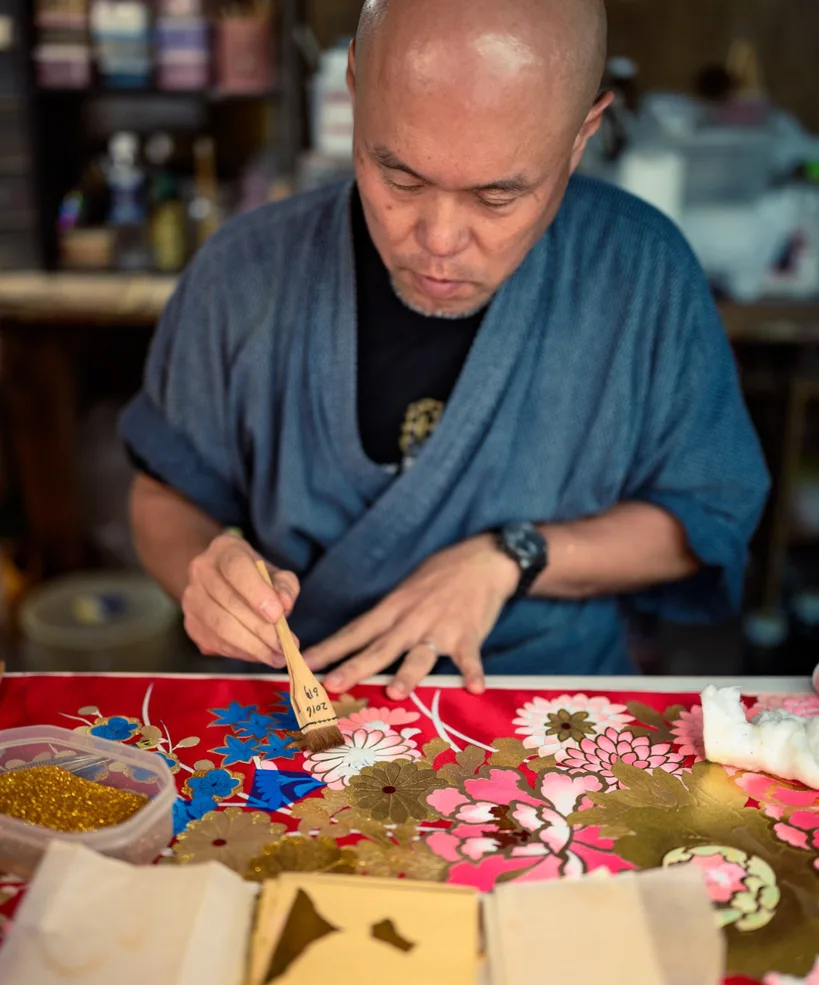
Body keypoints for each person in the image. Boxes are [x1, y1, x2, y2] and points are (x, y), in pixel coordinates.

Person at [120, 0, 769, 700]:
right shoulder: (243, 272)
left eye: (496, 196)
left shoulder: (640, 273)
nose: (436, 239)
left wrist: (511, 559)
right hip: (291, 704)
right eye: (399, 177)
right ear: (355, 87)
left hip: (551, 708)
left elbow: (708, 515)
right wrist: (206, 569)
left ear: (582, 134)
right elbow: (165, 495)